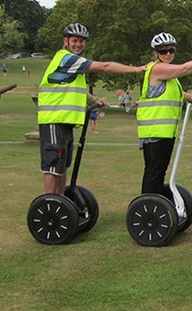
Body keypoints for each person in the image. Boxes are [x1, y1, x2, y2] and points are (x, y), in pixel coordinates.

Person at [37, 23, 147, 195]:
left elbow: (76, 89)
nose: (78, 45)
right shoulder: (66, 58)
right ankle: (50, 203)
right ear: (65, 41)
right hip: (53, 119)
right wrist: (136, 69)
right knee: (52, 165)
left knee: (63, 165)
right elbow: (105, 67)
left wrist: (94, 99)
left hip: (65, 121)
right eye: (75, 41)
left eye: (81, 41)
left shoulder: (73, 64)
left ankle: (60, 200)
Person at [137, 32, 192, 195]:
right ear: (155, 53)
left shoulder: (168, 76)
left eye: (171, 50)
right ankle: (147, 207)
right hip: (154, 131)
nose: (168, 54)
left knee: (159, 172)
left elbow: (175, 93)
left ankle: (156, 203)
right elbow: (184, 69)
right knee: (154, 171)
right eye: (163, 51)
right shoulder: (157, 69)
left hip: (166, 131)